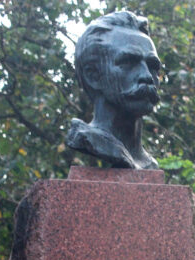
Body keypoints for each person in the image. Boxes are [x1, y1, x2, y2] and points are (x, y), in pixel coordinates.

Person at [66, 11, 161, 169]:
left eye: (153, 66)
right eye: (129, 63)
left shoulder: (149, 165)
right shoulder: (86, 138)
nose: (147, 76)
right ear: (93, 75)